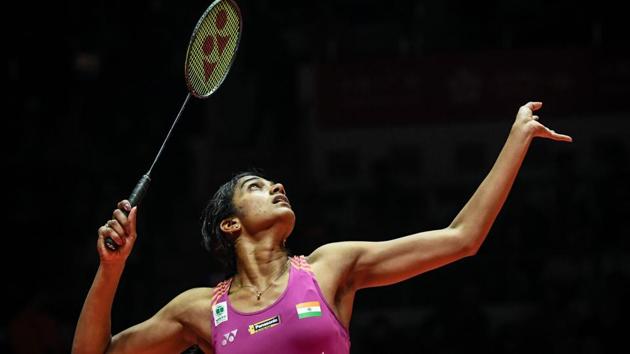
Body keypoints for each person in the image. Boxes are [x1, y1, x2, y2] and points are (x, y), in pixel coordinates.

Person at [72, 101, 572, 354]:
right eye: (256, 186)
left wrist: (517, 139)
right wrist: (110, 270)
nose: (276, 186)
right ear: (230, 224)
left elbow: (462, 238)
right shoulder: (201, 311)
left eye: (272, 182)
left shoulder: (330, 267)